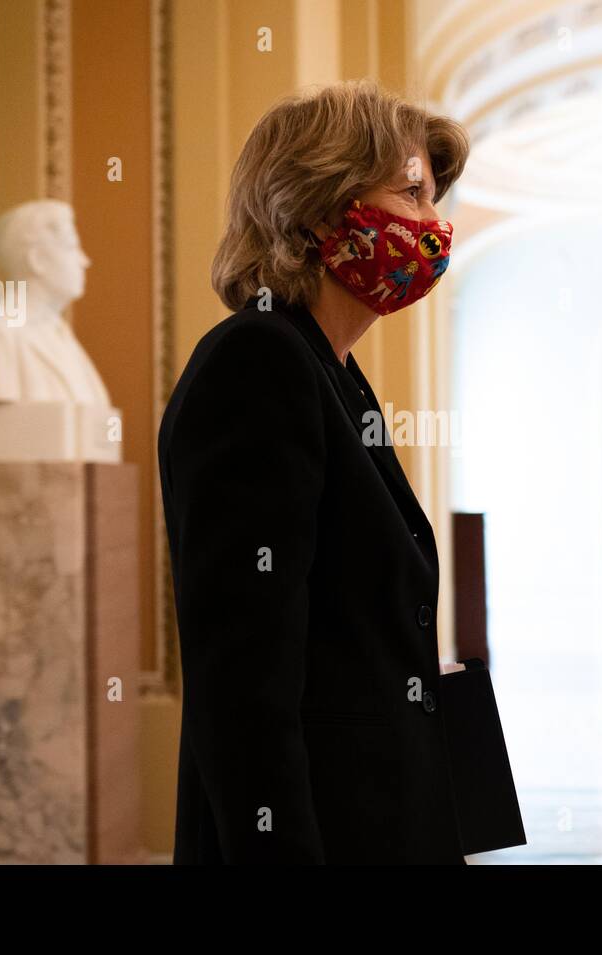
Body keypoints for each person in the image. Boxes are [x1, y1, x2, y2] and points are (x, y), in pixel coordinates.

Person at [157, 80, 471, 864]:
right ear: (321, 203)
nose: (434, 228)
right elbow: (245, 689)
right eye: (410, 194)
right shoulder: (258, 361)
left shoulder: (329, 365)